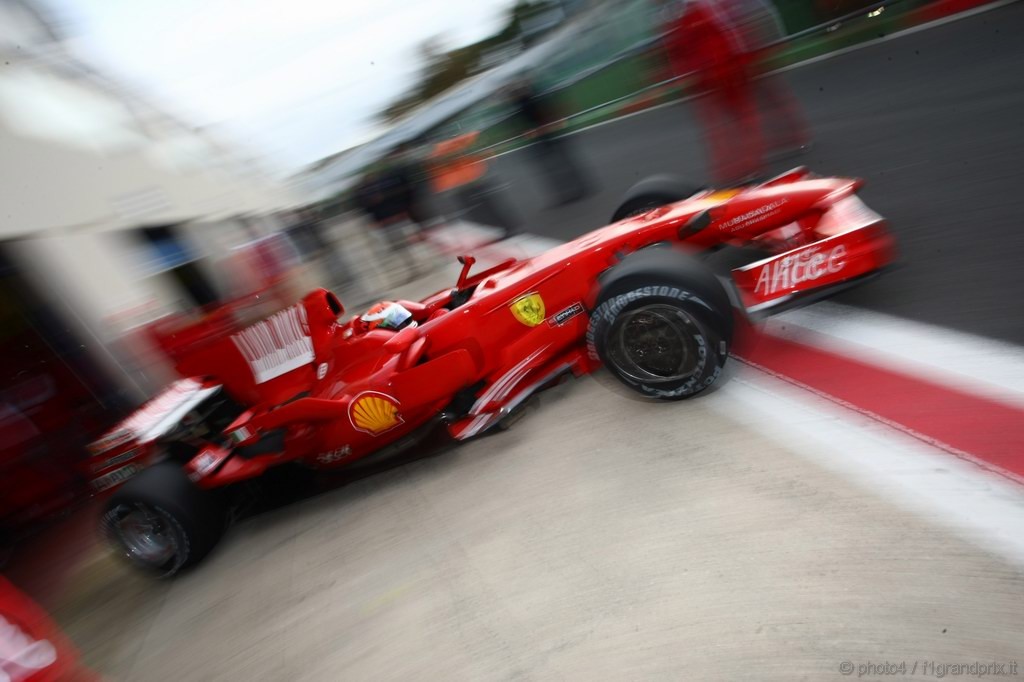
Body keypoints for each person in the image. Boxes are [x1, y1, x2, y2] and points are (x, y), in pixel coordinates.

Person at [661, 0, 809, 184]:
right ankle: (744, 163)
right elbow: (678, 48)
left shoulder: (697, 8)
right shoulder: (679, 11)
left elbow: (734, 26)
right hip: (715, 70)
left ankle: (752, 162)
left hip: (730, 64)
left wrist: (751, 56)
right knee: (733, 117)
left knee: (744, 113)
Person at [509, 79, 594, 206]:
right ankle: (576, 189)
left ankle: (571, 191)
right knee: (561, 164)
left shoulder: (527, 101)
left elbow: (542, 116)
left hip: (544, 136)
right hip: (546, 135)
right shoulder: (534, 96)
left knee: (555, 166)